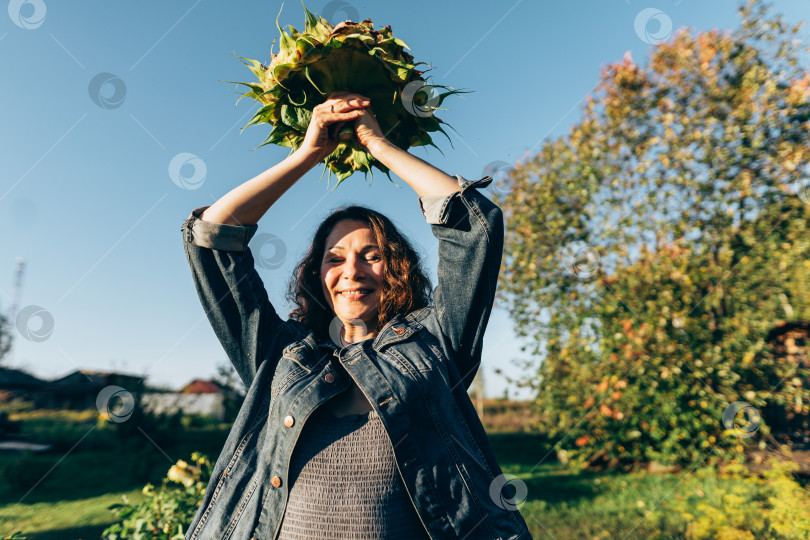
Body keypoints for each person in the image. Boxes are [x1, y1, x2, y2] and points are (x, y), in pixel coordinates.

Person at [180, 91, 533, 539]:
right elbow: (212, 239)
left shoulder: (434, 342)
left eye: (372, 255)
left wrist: (379, 145)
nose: (352, 272)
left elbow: (472, 228)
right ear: (316, 273)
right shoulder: (281, 353)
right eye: (335, 258)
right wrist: (309, 154)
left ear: (398, 268)